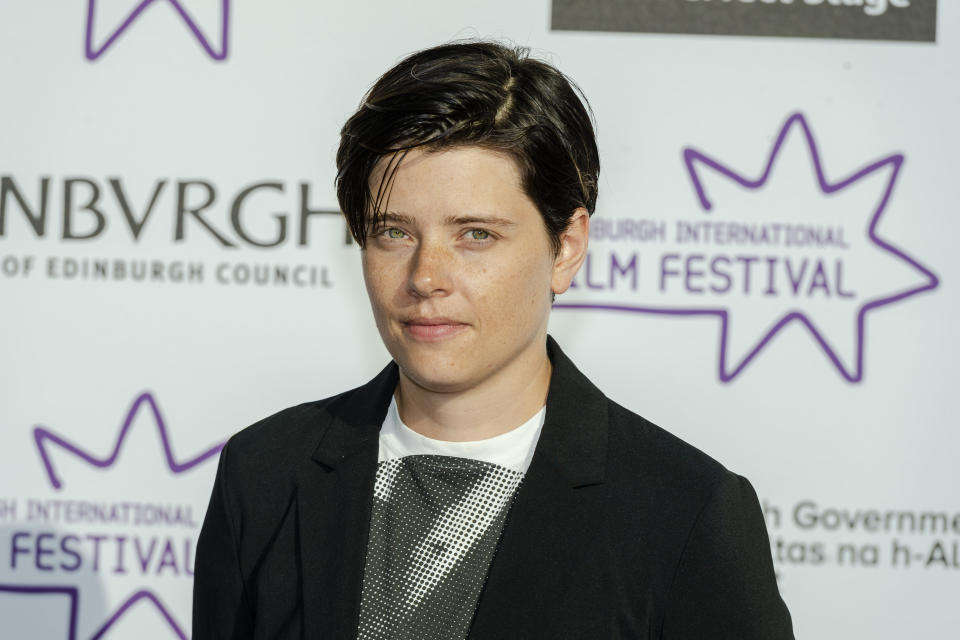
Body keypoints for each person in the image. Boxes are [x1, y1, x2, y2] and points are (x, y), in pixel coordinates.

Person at [192, 40, 794, 639]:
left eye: (476, 235)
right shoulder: (266, 472)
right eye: (394, 233)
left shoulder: (684, 512)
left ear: (566, 247)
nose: (426, 277)